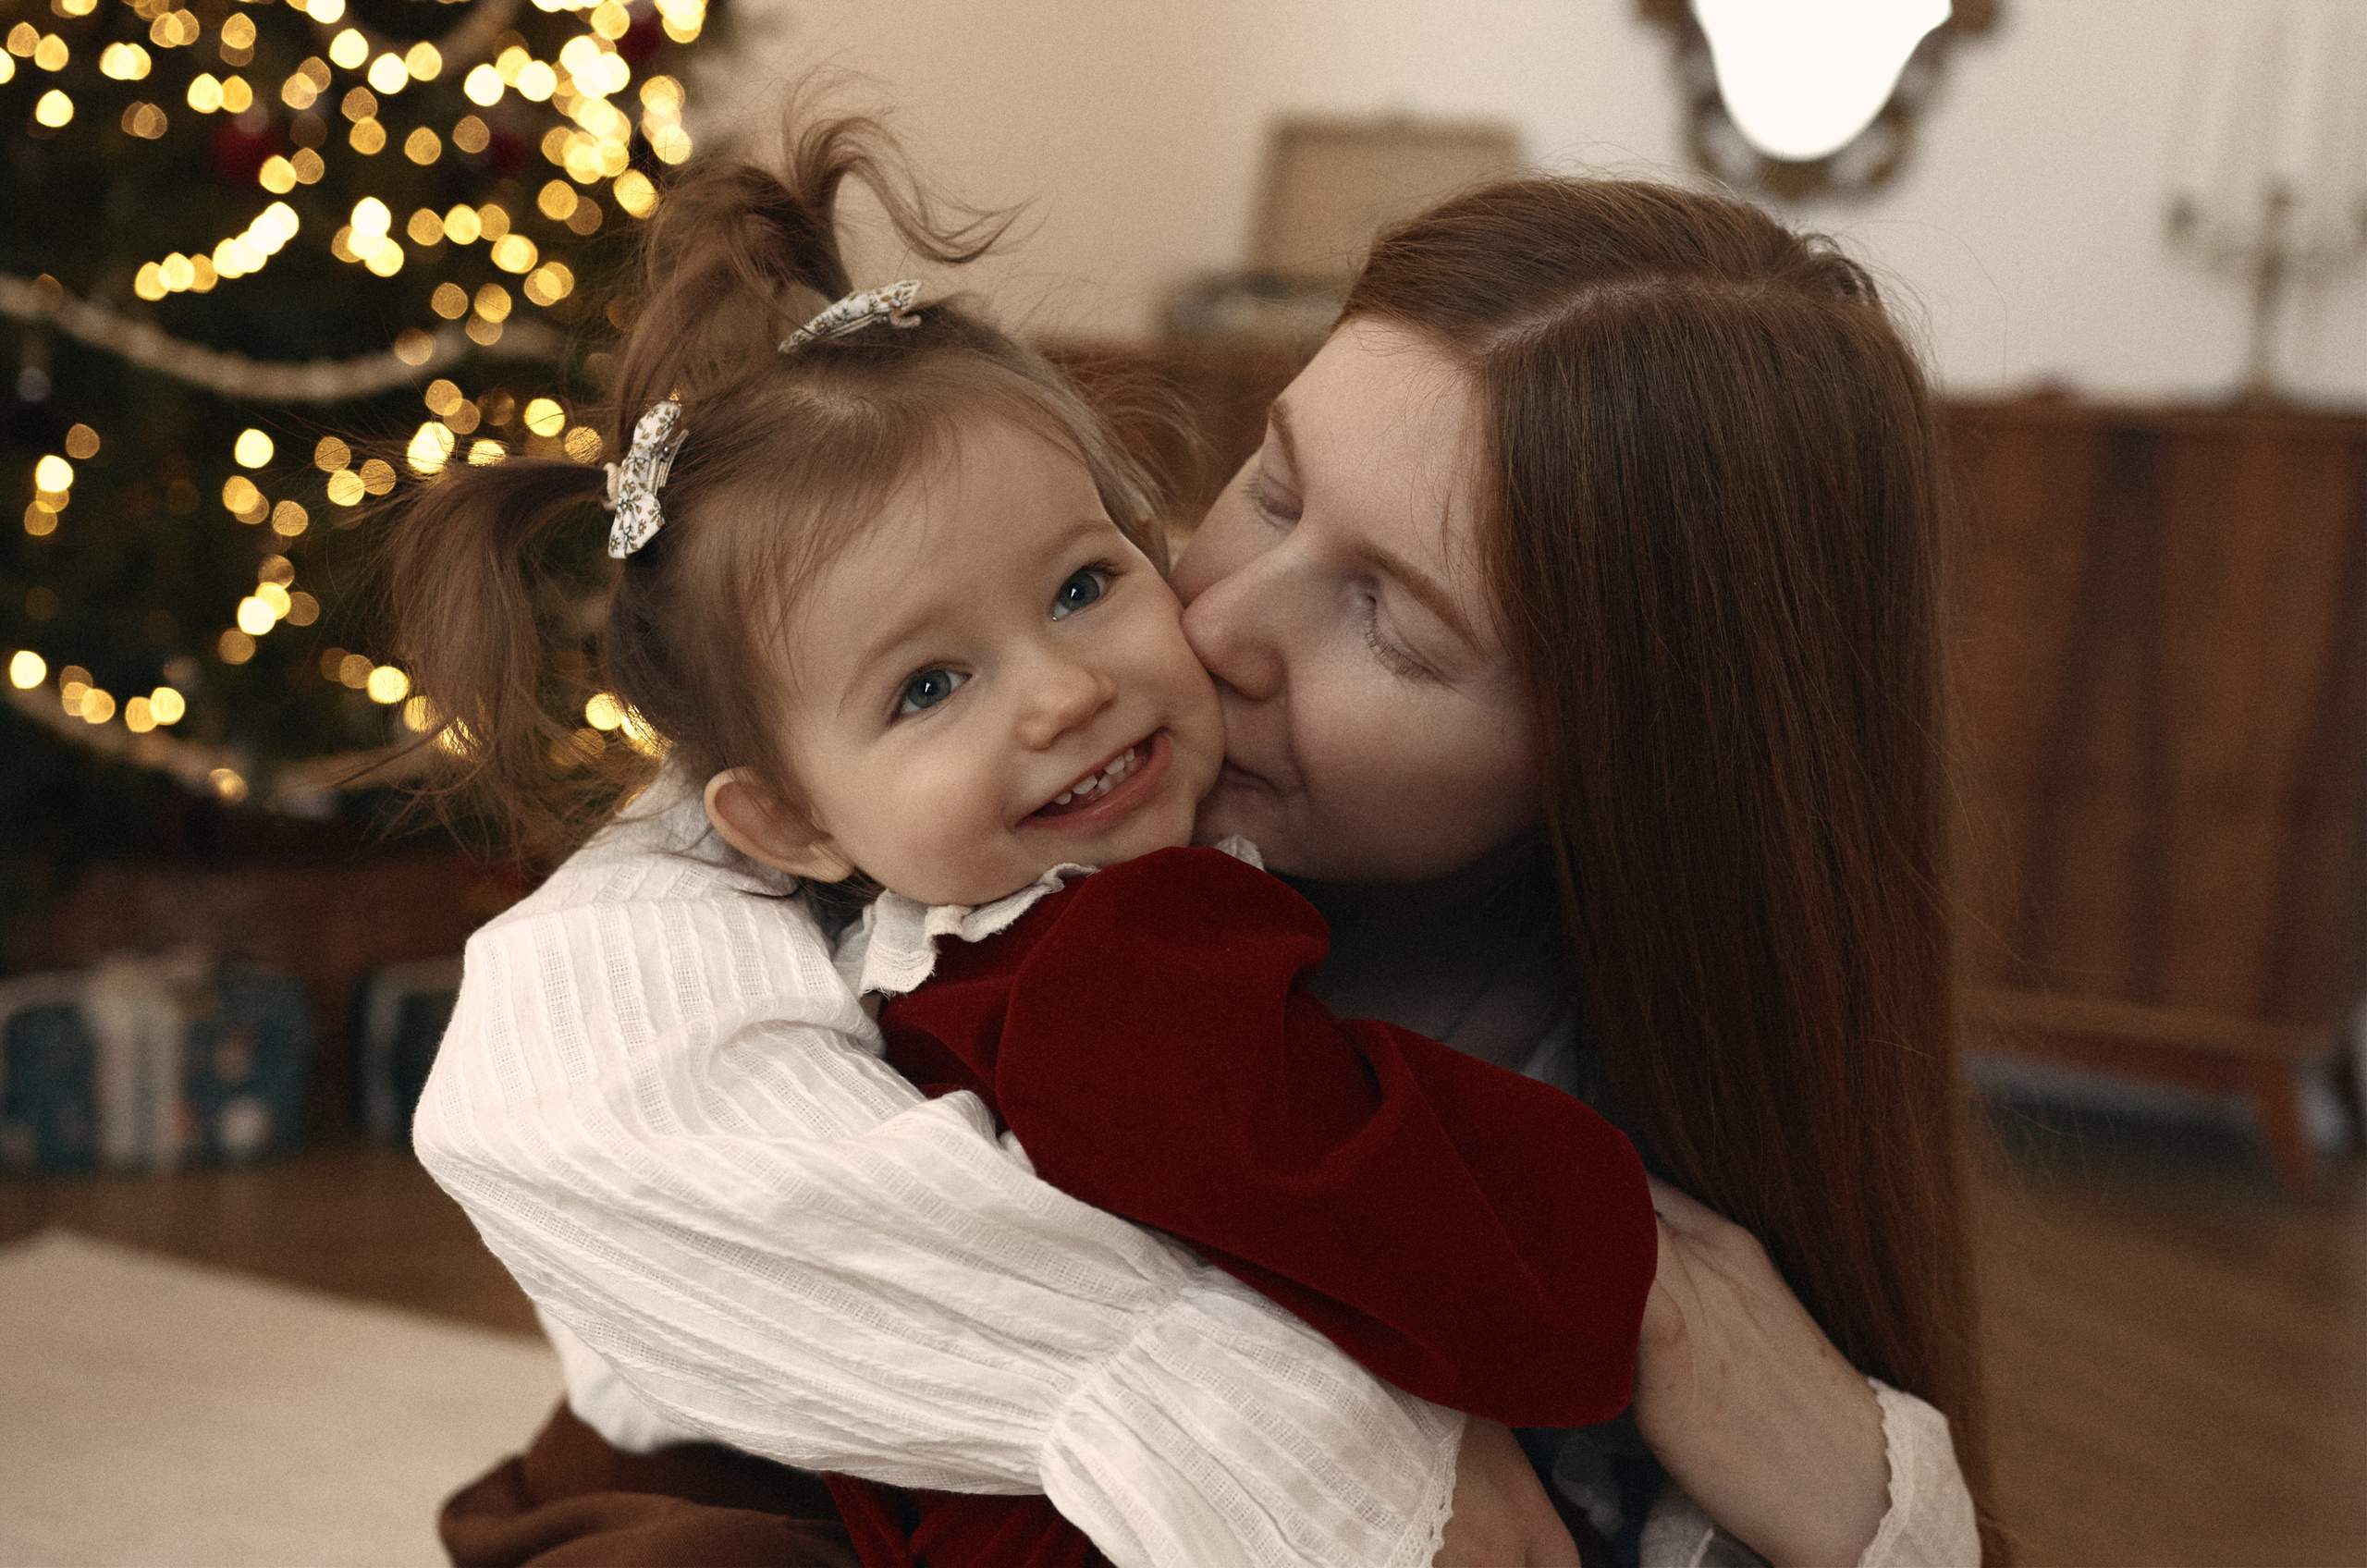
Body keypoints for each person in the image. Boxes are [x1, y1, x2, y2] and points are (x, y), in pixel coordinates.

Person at [411, 119, 1994, 1568]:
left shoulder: (1648, 1066)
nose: (1213, 620)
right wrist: (1328, 1451)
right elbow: (552, 1079)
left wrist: (1872, 1509)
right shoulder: (869, 820)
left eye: (1393, 621)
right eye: (1275, 486)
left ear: (1636, 761)